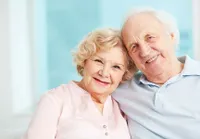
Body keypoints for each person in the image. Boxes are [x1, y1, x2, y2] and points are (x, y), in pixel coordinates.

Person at [23, 28, 137, 139]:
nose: (104, 73)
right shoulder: (55, 100)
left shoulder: (122, 105)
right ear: (84, 61)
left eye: (116, 67)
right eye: (98, 61)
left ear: (124, 74)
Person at [112, 7, 200, 139]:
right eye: (134, 47)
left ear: (171, 36)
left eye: (150, 38)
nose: (145, 52)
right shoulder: (120, 89)